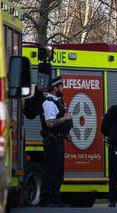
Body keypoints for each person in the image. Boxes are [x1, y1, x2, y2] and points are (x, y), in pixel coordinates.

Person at [40, 75, 73, 208]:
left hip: (59, 140)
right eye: (61, 86)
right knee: (51, 171)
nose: (62, 88)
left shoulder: (58, 102)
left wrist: (66, 134)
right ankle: (46, 199)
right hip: (52, 142)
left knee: (59, 171)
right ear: (54, 88)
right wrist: (65, 119)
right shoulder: (49, 103)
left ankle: (56, 198)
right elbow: (50, 123)